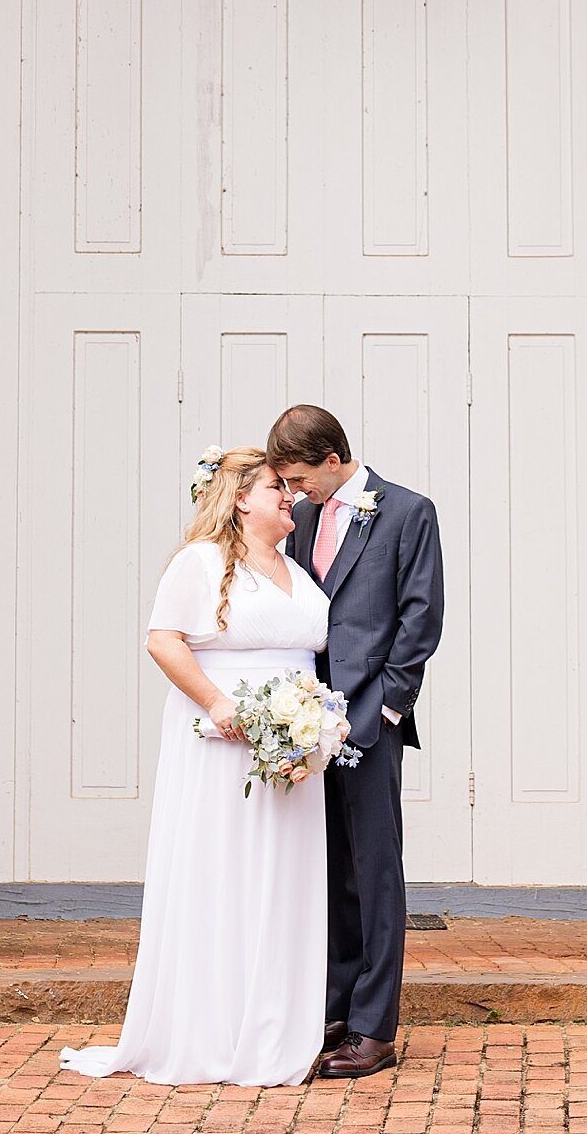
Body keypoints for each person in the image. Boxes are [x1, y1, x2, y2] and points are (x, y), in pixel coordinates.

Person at [57, 447, 330, 1088]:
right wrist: (220, 704)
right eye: (275, 486)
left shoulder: (295, 568)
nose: (289, 494)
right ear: (239, 498)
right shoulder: (201, 563)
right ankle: (209, 1031)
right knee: (222, 875)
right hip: (221, 744)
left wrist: (318, 720)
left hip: (291, 753)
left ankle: (273, 1026)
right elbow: (162, 639)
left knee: (280, 882)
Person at [268, 404, 444, 1080]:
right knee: (332, 869)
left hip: (371, 722)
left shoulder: (407, 511)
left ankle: (376, 1028)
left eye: (300, 476)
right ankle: (335, 1011)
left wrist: (388, 710)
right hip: (310, 721)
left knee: (375, 873)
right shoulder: (303, 519)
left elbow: (420, 617)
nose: (294, 491)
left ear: (334, 458)